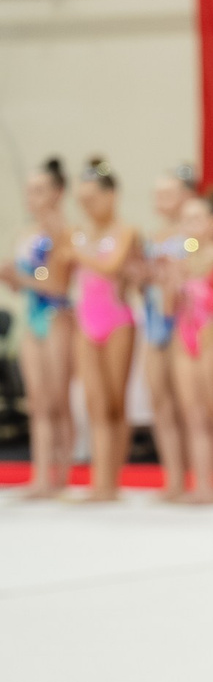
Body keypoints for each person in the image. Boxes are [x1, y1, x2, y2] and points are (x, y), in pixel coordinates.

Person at [65, 157, 139, 499]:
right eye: (82, 201)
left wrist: (78, 252)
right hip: (86, 320)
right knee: (92, 402)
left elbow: (111, 266)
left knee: (114, 401)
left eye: (93, 199)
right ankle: (99, 481)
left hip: (117, 319)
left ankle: (114, 479)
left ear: (111, 197)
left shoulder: (125, 232)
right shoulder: (77, 235)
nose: (88, 207)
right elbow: (55, 274)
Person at [5, 159, 75, 497]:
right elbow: (28, 283)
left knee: (58, 398)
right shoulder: (26, 233)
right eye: (29, 190)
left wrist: (20, 277)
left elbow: (58, 284)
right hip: (31, 319)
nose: (31, 197)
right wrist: (11, 278)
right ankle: (41, 475)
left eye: (39, 190)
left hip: (56, 318)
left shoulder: (63, 233)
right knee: (37, 401)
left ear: (57, 193)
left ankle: (62, 473)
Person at [171, 187, 213, 503]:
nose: (191, 225)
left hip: (211, 335)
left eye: (197, 218)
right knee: (193, 415)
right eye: (186, 220)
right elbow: (166, 306)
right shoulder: (180, 262)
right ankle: (200, 483)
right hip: (185, 335)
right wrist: (170, 281)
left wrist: (203, 280)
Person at [136, 169, 195, 503]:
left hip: (183, 321)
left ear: (186, 195)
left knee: (186, 401)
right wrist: (141, 274)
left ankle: (194, 473)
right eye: (157, 195)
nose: (161, 201)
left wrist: (171, 271)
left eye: (168, 194)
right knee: (160, 399)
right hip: (155, 319)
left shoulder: (191, 235)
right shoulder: (153, 237)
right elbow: (144, 279)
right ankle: (173, 476)